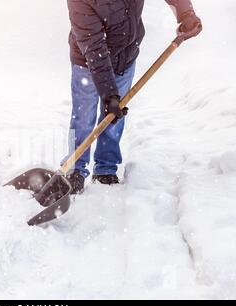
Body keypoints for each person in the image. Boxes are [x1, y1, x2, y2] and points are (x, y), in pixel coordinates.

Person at [63, 0, 202, 193]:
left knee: (114, 117)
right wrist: (109, 94)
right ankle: (74, 169)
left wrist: (186, 14)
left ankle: (106, 168)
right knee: (83, 116)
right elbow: (94, 47)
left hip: (125, 57)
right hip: (88, 62)